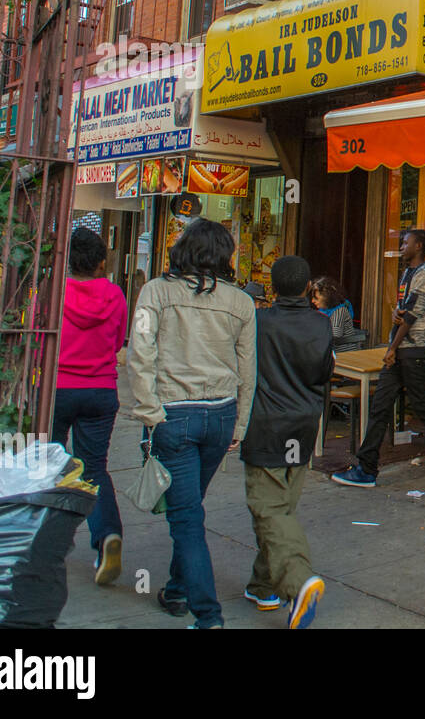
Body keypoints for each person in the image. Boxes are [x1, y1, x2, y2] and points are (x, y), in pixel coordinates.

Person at [126, 217, 256, 629]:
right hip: (218, 415)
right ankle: (179, 590)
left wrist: (150, 413)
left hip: (175, 414)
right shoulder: (241, 302)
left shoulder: (155, 292)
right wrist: (240, 425)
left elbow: (139, 353)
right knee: (189, 511)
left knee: (186, 518)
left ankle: (208, 614)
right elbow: (248, 369)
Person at [331, 229, 425, 488]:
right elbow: (403, 309)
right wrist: (398, 323)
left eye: (406, 241)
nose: (401, 245)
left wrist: (391, 347)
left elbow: (411, 315)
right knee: (380, 405)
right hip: (400, 348)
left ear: (419, 245)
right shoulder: (408, 273)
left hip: (414, 349)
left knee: (421, 405)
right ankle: (366, 467)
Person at [240, 255, 333, 629]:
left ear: (273, 289)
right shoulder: (322, 324)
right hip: (304, 424)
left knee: (268, 508)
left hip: (267, 423)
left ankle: (298, 580)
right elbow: (324, 373)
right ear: (308, 288)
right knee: (281, 506)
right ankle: (264, 586)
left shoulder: (259, 322)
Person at [53, 228, 128, 586]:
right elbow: (116, 341)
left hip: (57, 386)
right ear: (101, 262)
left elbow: (37, 336)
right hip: (100, 388)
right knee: (94, 468)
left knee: (48, 463)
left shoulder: (52, 291)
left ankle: (46, 542)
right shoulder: (115, 294)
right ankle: (107, 535)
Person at [310, 276, 356, 344]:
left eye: (316, 298)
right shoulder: (322, 311)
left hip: (342, 353)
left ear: (327, 297)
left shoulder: (340, 311)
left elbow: (334, 336)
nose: (312, 301)